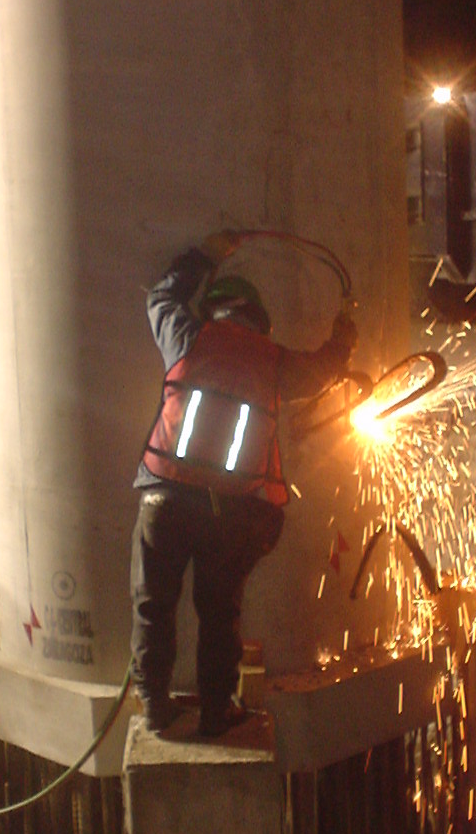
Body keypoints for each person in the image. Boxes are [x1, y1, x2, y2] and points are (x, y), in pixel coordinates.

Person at [131, 231, 357, 737]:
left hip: (163, 499)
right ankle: (216, 713)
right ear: (259, 319)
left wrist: (204, 254)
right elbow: (324, 371)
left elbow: (160, 297)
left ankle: (153, 705)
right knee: (219, 614)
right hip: (227, 512)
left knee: (153, 604)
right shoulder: (272, 362)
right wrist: (345, 333)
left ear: (214, 310)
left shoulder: (187, 337)